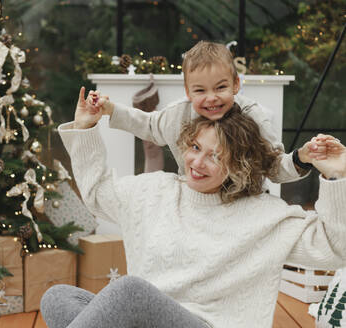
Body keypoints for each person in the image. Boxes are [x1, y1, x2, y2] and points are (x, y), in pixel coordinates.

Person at [40, 87, 346, 328]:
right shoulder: (155, 191)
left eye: (215, 156)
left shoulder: (265, 215)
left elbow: (334, 249)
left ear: (238, 166)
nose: (197, 163)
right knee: (60, 297)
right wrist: (85, 128)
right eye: (196, 147)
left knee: (130, 291)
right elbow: (97, 195)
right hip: (150, 320)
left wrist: (337, 176)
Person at [97, 40, 312, 182]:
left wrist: (300, 158)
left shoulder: (253, 116)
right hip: (194, 200)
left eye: (220, 87)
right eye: (200, 90)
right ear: (188, 91)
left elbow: (273, 165)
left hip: (243, 203)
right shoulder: (178, 114)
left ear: (235, 85)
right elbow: (149, 124)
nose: (211, 98)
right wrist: (110, 109)